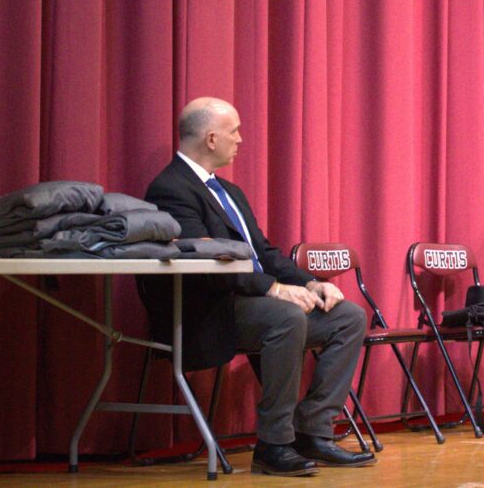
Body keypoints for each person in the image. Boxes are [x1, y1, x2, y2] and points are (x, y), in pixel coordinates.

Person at [137, 97, 373, 475]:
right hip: (207, 311)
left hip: (249, 303)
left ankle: (312, 429)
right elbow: (206, 262)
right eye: (234, 132)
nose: (241, 140)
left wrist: (312, 282)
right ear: (211, 139)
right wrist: (273, 289)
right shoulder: (170, 189)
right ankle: (274, 445)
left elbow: (263, 252)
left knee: (348, 317)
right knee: (285, 317)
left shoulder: (229, 192)